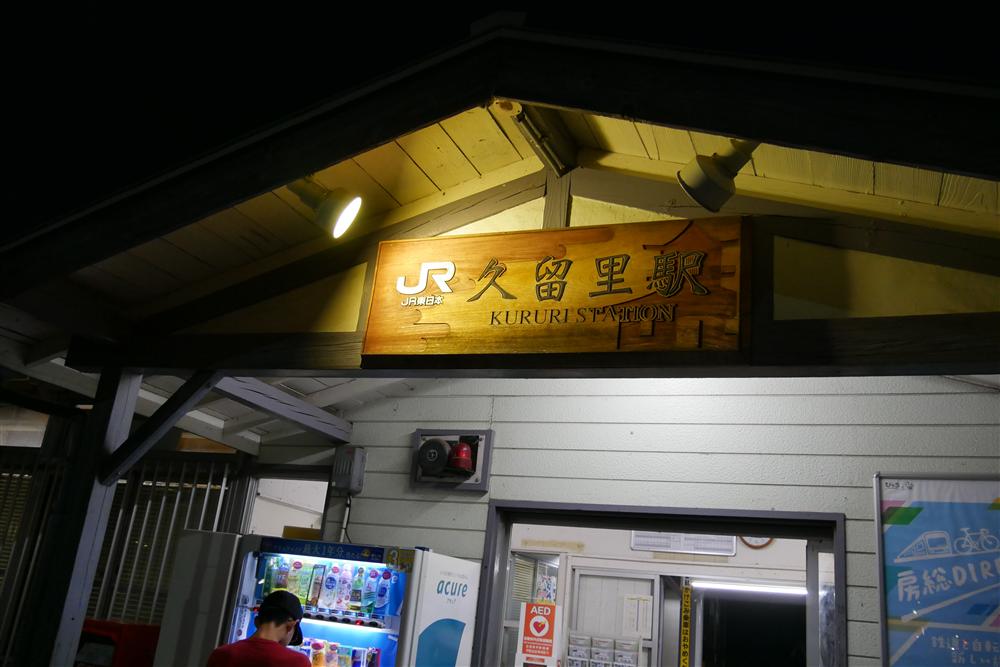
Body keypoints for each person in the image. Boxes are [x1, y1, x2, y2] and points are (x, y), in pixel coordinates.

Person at [206, 590, 310, 667]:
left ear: (256, 622)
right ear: (290, 626)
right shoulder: (299, 662)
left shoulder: (221, 655)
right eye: (293, 636)